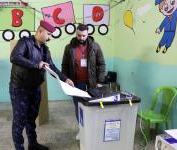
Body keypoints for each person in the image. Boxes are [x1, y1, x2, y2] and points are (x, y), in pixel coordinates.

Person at [9, 20, 74, 150]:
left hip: (35, 88)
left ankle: (32, 144)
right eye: (48, 34)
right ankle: (19, 147)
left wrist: (65, 79)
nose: (50, 37)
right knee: (19, 121)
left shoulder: (45, 49)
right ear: (40, 31)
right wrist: (36, 65)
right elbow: (14, 57)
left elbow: (52, 67)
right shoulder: (25, 43)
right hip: (20, 88)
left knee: (31, 118)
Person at [61, 23, 106, 139]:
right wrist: (66, 79)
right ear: (76, 33)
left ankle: (93, 130)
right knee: (79, 108)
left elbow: (101, 64)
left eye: (84, 36)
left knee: (93, 107)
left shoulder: (95, 46)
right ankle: (82, 130)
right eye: (79, 35)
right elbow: (64, 65)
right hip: (75, 84)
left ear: (88, 34)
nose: (81, 38)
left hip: (92, 84)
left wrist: (100, 81)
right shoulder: (68, 47)